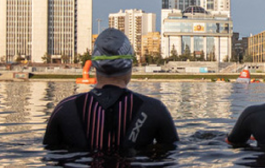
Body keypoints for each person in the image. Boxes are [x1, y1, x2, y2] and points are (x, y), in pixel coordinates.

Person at [44, 28, 179, 152]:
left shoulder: (65, 109)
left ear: (94, 64)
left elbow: (50, 158)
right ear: (129, 65)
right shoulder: (154, 109)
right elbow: (170, 159)